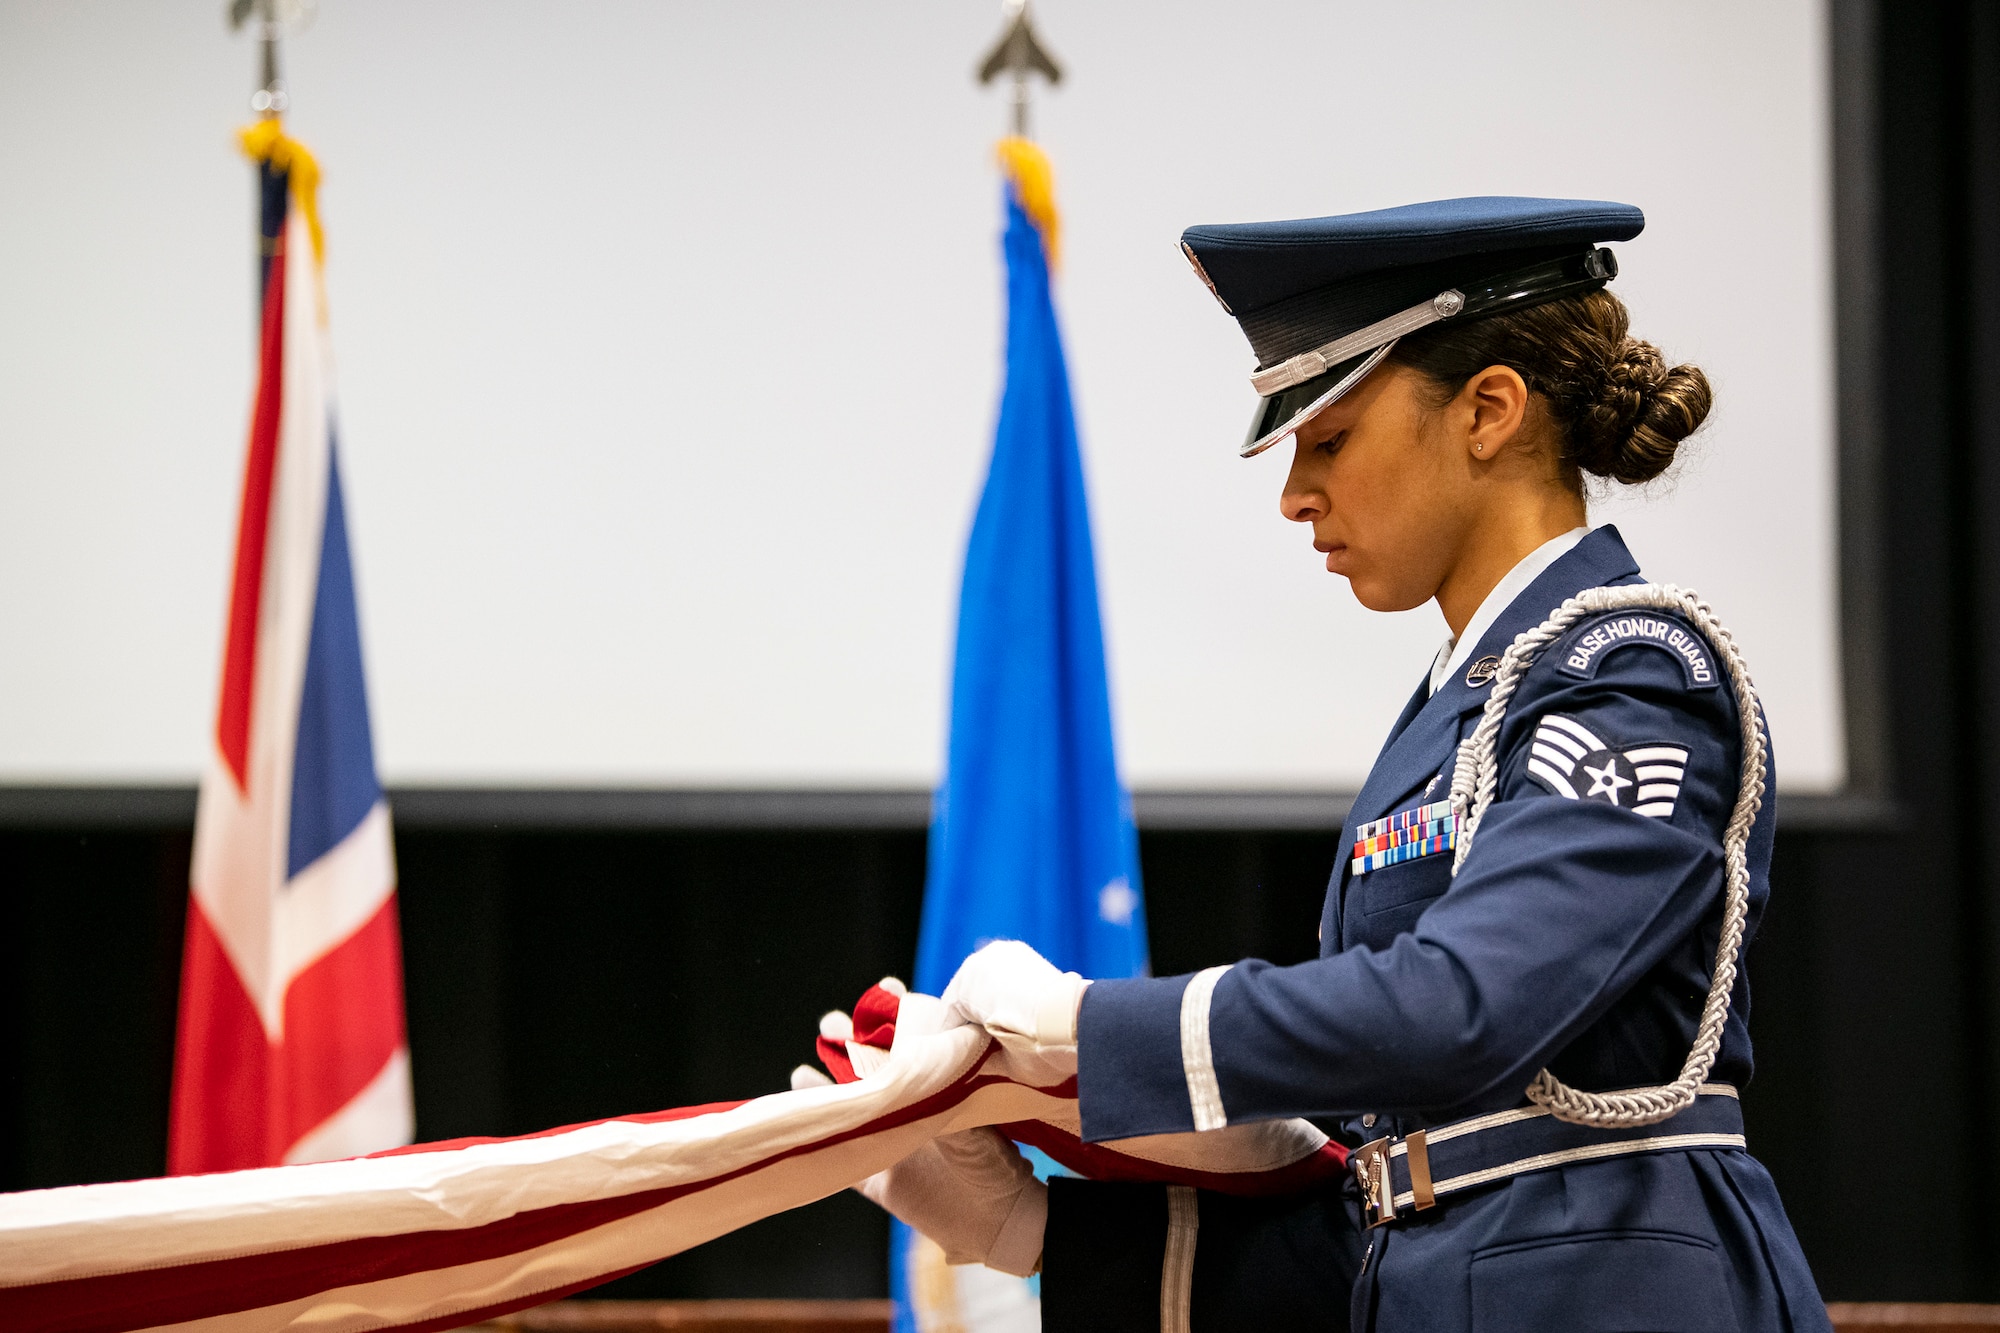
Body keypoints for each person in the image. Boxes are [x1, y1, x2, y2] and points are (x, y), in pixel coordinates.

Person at [872, 196, 1831, 1333]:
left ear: (1487, 411)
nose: (1293, 497)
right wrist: (1028, 1232)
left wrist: (1091, 1028)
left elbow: (1462, 1007)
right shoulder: (1464, 702)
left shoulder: (1630, 671)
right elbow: (1419, 1191)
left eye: (1328, 439)